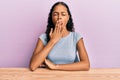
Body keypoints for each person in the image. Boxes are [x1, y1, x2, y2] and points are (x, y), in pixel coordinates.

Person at [29, 1, 90, 71]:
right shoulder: (43, 38)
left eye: (63, 14)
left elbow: (86, 65)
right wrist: (53, 41)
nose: (59, 17)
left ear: (68, 17)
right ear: (51, 18)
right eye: (55, 14)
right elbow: (33, 66)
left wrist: (55, 66)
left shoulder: (76, 37)